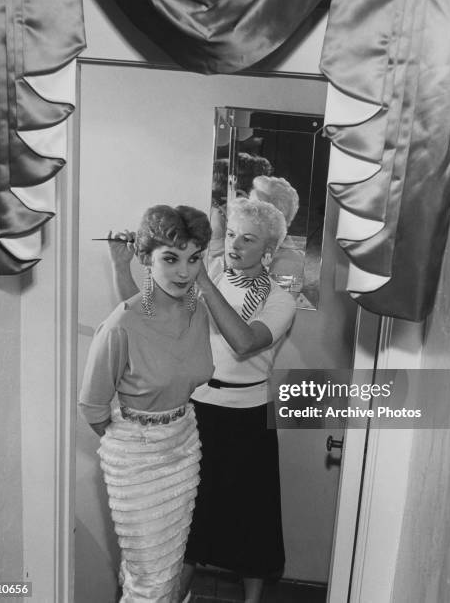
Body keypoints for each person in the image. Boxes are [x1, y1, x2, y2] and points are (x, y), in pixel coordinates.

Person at [109, 198, 296, 603]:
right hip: (197, 411)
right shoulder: (207, 274)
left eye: (248, 239)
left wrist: (206, 285)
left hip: (248, 417)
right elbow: (144, 322)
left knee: (253, 517)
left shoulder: (280, 299)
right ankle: (176, 596)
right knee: (189, 515)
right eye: (230, 234)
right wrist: (121, 265)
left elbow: (244, 342)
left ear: (269, 251)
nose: (235, 245)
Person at [78, 205, 214, 603]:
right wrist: (134, 438)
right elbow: (92, 407)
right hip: (136, 461)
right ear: (145, 257)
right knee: (150, 578)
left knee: (166, 568)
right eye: (170, 258)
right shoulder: (120, 323)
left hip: (184, 444)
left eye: (194, 259)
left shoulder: (195, 310)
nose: (184, 272)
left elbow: (154, 328)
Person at [248, 175, 305, 285]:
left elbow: (281, 301)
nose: (244, 215)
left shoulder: (289, 262)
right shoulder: (257, 249)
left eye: (253, 211)